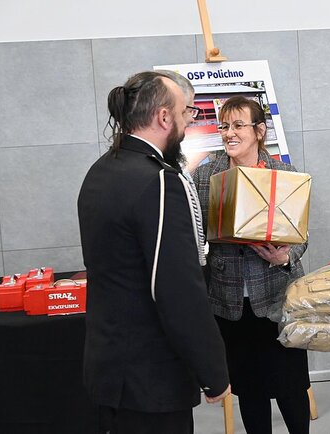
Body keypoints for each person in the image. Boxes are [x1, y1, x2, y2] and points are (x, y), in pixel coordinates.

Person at [77, 71, 230, 434]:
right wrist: (213, 372)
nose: (187, 122)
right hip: (151, 374)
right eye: (185, 113)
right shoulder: (160, 181)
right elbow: (177, 291)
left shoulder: (101, 170)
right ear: (164, 117)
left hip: (108, 364)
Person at [192, 96, 311, 434]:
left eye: (238, 125)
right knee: (249, 389)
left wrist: (285, 256)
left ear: (259, 131)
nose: (229, 133)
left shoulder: (285, 174)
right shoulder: (205, 175)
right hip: (229, 300)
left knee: (291, 386)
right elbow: (196, 232)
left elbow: (301, 236)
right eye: (224, 126)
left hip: (278, 296)